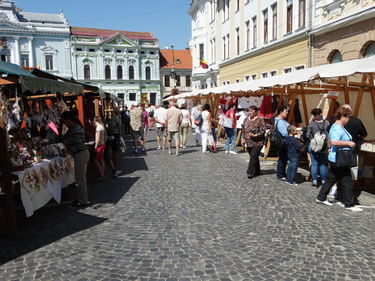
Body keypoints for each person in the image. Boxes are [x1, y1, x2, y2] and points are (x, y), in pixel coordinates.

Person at [316, 106, 363, 212]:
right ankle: (349, 204)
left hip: (335, 157)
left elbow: (330, 140)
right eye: (348, 117)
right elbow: (334, 141)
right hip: (339, 157)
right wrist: (348, 143)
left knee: (331, 178)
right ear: (342, 116)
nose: (348, 119)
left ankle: (321, 197)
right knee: (347, 180)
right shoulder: (337, 127)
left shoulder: (337, 126)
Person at [60, 111, 90, 208]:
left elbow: (77, 144)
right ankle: (81, 198)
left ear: (68, 120)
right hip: (80, 154)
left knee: (80, 179)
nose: (63, 123)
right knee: (79, 178)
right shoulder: (73, 128)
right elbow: (63, 138)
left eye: (64, 121)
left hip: (80, 154)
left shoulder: (76, 129)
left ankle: (83, 201)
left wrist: (68, 147)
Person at [306, 108, 330, 187]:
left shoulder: (312, 123)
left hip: (314, 146)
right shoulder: (326, 122)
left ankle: (315, 181)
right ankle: (323, 180)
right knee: (323, 164)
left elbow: (308, 135)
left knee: (314, 164)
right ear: (321, 114)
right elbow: (329, 134)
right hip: (324, 146)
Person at [241, 106, 265, 179]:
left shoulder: (260, 119)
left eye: (251, 111)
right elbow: (243, 130)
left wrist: (255, 135)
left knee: (253, 156)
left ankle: (250, 172)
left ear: (256, 112)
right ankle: (257, 171)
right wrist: (242, 139)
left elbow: (263, 130)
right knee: (254, 156)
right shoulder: (245, 119)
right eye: (249, 111)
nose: (249, 112)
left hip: (258, 142)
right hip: (248, 141)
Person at [274, 105, 290, 181]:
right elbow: (284, 133)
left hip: (282, 142)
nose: (287, 113)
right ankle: (280, 174)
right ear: (281, 112)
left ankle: (282, 173)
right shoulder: (280, 121)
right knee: (282, 158)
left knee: (283, 158)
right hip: (283, 142)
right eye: (286, 111)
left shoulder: (279, 120)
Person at [105, 112, 121, 176]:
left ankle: (113, 164)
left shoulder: (109, 119)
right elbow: (119, 128)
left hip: (113, 135)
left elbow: (119, 128)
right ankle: (113, 165)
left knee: (114, 151)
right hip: (114, 135)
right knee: (115, 151)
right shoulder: (113, 119)